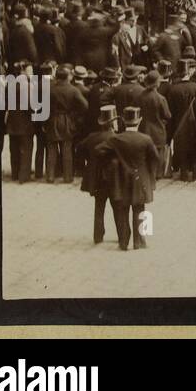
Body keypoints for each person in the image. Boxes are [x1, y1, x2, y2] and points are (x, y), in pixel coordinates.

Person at [96, 104, 159, 251]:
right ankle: (140, 242)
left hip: (121, 179)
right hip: (140, 178)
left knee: (122, 210)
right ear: (140, 120)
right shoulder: (146, 139)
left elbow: (98, 150)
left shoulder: (116, 139)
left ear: (123, 121)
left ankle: (123, 242)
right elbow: (155, 158)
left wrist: (113, 160)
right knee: (140, 209)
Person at [78, 104, 119, 244]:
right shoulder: (117, 138)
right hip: (113, 178)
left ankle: (98, 236)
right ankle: (122, 235)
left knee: (99, 207)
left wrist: (88, 162)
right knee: (117, 207)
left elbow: (79, 149)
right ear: (113, 123)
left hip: (96, 178)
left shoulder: (92, 137)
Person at [45, 65, 88, 183]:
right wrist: (75, 116)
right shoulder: (73, 90)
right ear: (68, 77)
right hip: (67, 120)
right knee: (67, 149)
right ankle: (68, 177)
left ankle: (50, 176)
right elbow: (85, 106)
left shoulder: (49, 89)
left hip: (52, 120)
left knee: (52, 149)